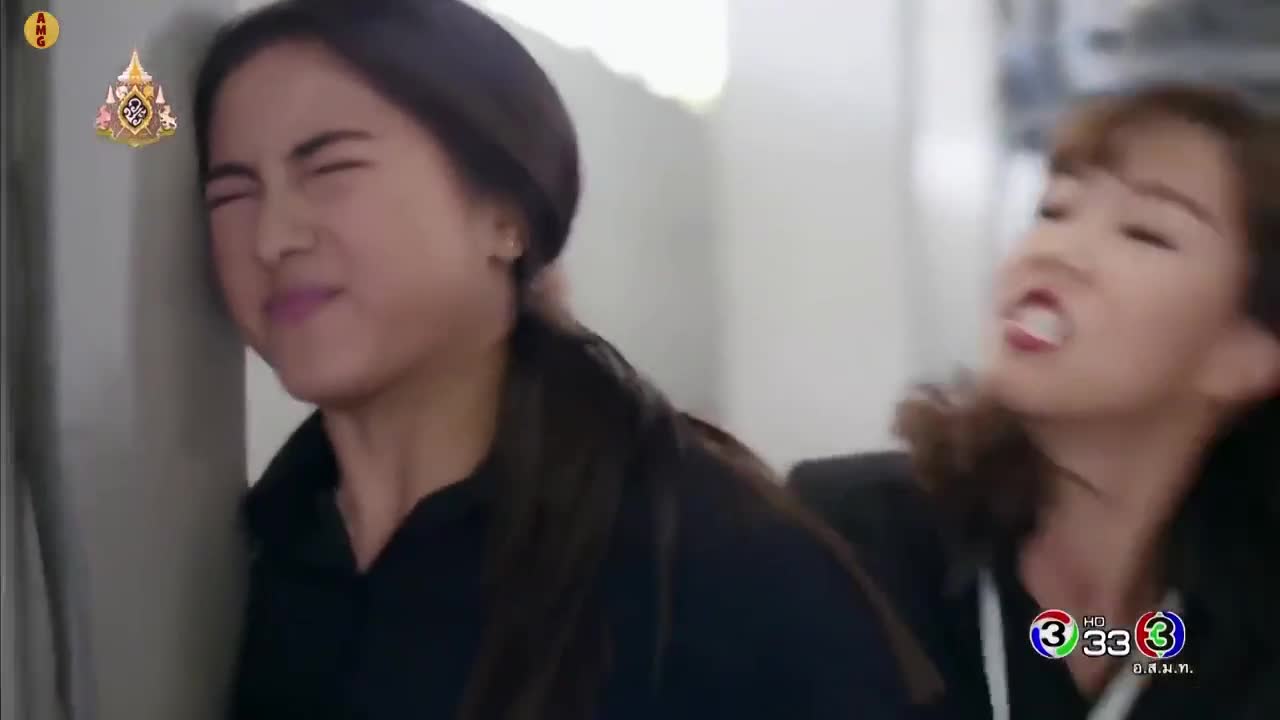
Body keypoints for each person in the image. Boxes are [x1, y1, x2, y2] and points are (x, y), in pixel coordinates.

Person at [193, 1, 940, 718]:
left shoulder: (709, 560)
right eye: (232, 195)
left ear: (506, 216)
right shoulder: (242, 561)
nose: (273, 238)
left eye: (330, 169)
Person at [792, 84, 1280, 719]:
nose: (1053, 251)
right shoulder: (846, 540)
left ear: (1248, 354)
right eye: (1053, 211)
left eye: (1145, 233)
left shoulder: (1230, 630)